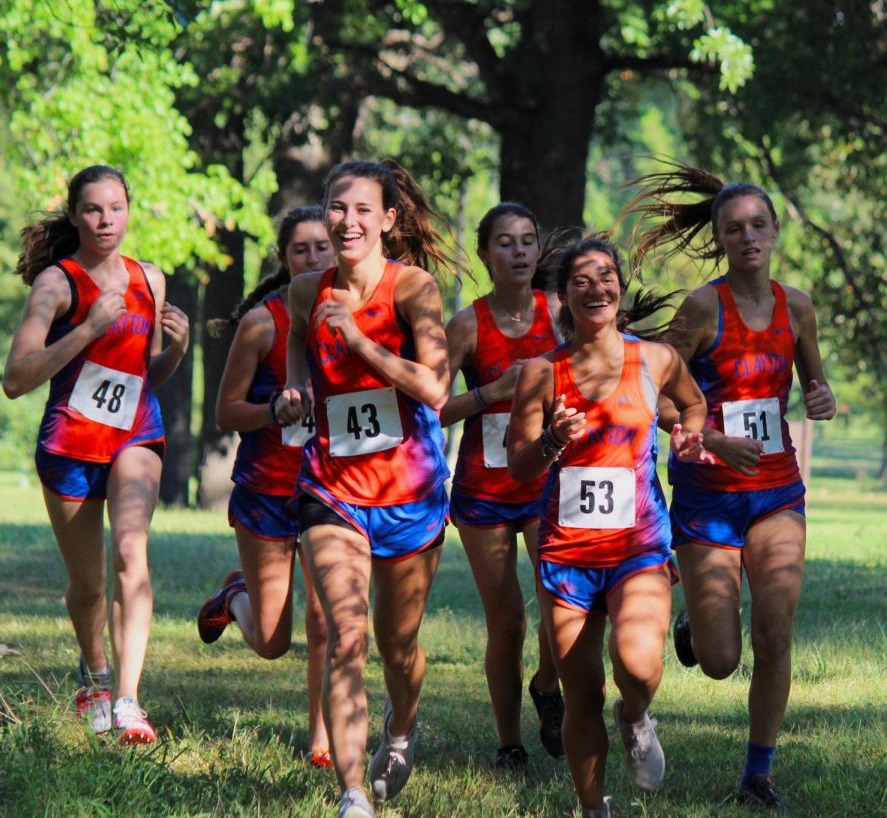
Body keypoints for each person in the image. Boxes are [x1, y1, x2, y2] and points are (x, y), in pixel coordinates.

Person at [625, 162, 836, 811]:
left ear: (774, 232)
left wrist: (820, 394)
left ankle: (757, 774)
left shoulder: (796, 306)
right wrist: (710, 438)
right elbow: (651, 393)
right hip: (707, 493)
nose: (748, 238)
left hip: (776, 491)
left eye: (758, 226)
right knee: (720, 659)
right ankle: (694, 622)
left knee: (775, 633)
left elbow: (810, 381)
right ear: (719, 238)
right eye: (735, 229)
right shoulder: (701, 308)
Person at [273, 159, 460, 818]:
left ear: (387, 220)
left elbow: (436, 387)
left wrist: (358, 340)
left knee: (398, 648)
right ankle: (354, 794)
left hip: (410, 494)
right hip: (332, 488)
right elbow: (299, 341)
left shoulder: (413, 290)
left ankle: (400, 731)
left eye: (361, 210)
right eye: (337, 207)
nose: (347, 220)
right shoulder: (305, 292)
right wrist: (295, 389)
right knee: (346, 638)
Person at [507, 235, 710, 817]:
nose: (596, 288)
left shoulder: (655, 360)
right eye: (581, 281)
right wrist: (551, 441)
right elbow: (519, 469)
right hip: (567, 554)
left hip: (638, 545)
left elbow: (692, 406)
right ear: (563, 299)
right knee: (584, 692)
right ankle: (593, 806)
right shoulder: (541, 375)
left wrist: (689, 435)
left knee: (639, 663)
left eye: (606, 277)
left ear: (619, 288)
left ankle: (638, 715)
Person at [3, 165, 189, 745]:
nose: (106, 220)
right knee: (88, 585)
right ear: (75, 215)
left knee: (132, 553)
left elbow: (146, 373)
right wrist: (85, 330)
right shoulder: (58, 285)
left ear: (129, 210)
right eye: (92, 210)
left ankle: (129, 701)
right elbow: (15, 379)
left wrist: (177, 351)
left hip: (136, 434)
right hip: (70, 445)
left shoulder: (150, 280)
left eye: (116, 208)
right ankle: (95, 676)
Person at [196, 206, 334, 767]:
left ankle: (322, 741)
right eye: (301, 250)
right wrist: (274, 408)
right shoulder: (262, 323)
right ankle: (236, 596)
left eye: (322, 247)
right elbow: (226, 412)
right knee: (274, 643)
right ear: (284, 259)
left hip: (331, 490)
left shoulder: (358, 316)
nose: (314, 258)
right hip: (266, 492)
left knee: (326, 621)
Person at [442, 203, 564, 771]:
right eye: (506, 243)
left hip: (545, 478)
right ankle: (509, 743)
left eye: (527, 241)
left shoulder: (559, 314)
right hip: (484, 489)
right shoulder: (467, 324)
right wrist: (493, 392)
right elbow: (433, 409)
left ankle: (546, 684)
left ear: (538, 251)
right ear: (487, 255)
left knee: (561, 603)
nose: (518, 252)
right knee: (508, 620)